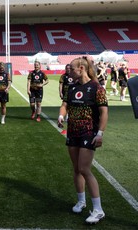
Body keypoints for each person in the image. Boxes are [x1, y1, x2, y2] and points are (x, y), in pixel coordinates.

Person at [58, 56, 108, 224]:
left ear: (81, 69)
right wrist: (60, 115)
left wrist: (100, 133)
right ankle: (81, 201)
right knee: (76, 169)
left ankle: (98, 210)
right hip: (72, 132)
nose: (69, 71)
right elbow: (65, 105)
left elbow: (103, 112)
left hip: (88, 133)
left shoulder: (96, 88)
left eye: (72, 68)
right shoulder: (71, 87)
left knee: (84, 169)